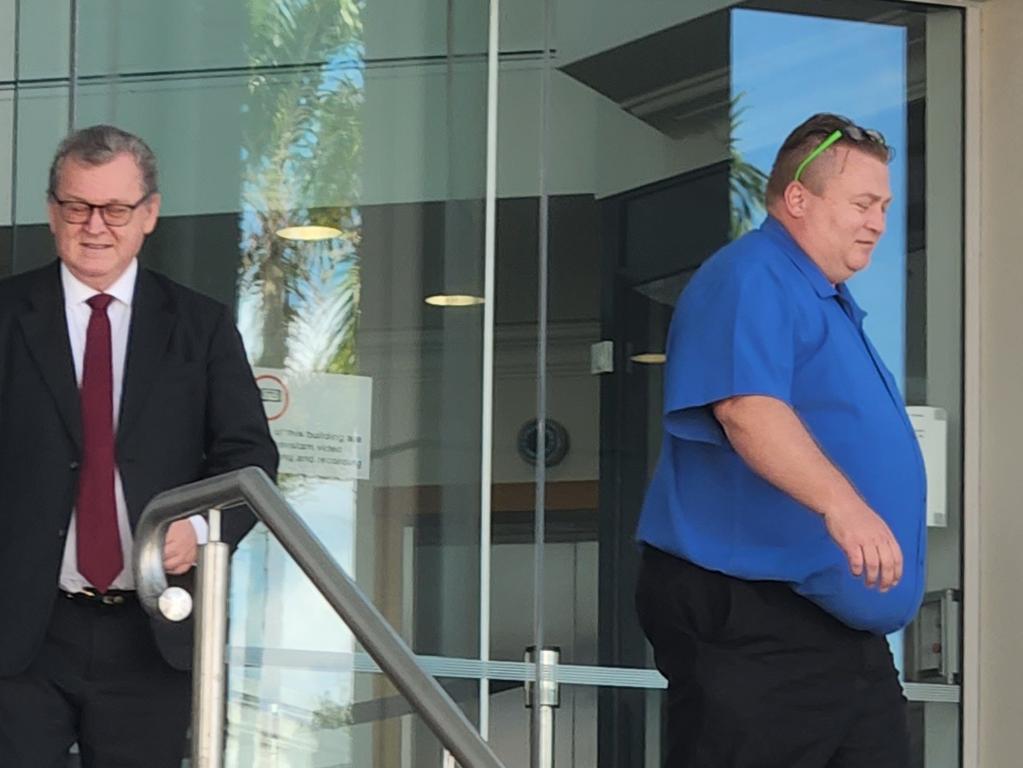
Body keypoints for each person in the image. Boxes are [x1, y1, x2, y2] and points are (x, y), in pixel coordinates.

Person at [634, 113, 926, 767]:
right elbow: (746, 408)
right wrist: (842, 505)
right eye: (861, 203)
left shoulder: (821, 298)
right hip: (753, 613)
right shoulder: (753, 275)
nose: (877, 221)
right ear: (798, 198)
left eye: (882, 205)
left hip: (832, 629)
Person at [0, 124, 279, 767]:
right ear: (51, 211)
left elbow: (250, 459)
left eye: (116, 209)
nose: (95, 226)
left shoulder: (201, 325)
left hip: (155, 632)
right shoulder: (7, 316)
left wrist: (205, 529)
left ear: (149, 214)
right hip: (23, 632)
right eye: (77, 207)